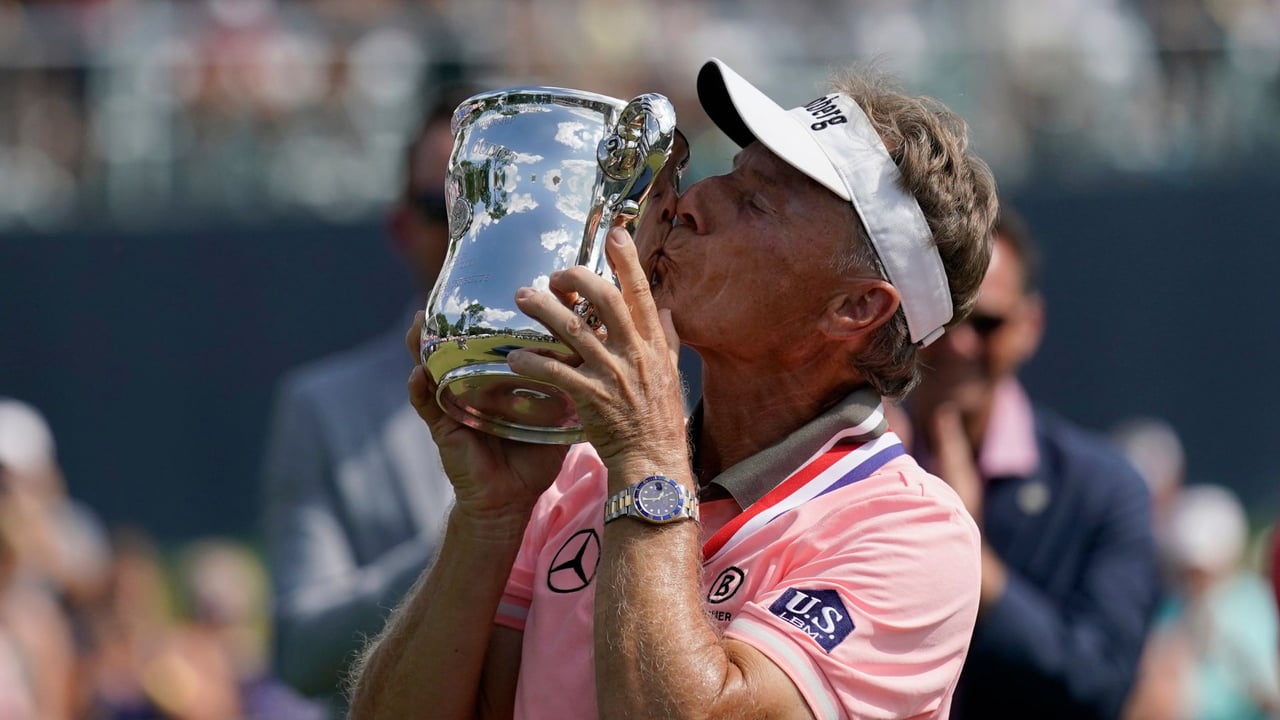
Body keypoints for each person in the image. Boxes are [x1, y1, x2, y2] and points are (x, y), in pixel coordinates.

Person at [349, 57, 999, 719]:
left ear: (856, 308)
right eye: (729, 173)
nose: (691, 202)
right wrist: (487, 520)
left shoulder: (913, 534)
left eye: (755, 202)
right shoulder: (577, 474)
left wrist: (647, 462)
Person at [261, 83, 477, 707]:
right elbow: (301, 653)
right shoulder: (321, 407)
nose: (471, 229)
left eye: (496, 203)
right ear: (400, 226)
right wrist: (479, 531)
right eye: (443, 205)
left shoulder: (611, 399)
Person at [903, 208, 1160, 718]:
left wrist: (966, 554)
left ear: (1029, 325)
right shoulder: (855, 467)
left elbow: (1101, 681)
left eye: (986, 322)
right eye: (944, 318)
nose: (959, 343)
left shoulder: (1104, 490)